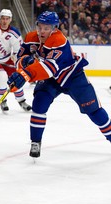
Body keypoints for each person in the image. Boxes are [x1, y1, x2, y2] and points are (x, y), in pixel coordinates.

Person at [7, 11, 111, 158]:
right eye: (40, 27)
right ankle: (35, 142)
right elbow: (19, 59)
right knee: (39, 105)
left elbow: (50, 67)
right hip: (51, 80)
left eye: (46, 28)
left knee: (94, 110)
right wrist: (23, 63)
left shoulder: (59, 40)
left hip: (72, 76)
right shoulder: (31, 38)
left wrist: (26, 74)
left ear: (54, 28)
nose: (42, 31)